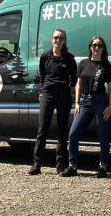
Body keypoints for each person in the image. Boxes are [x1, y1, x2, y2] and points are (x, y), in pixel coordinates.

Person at [61, 35, 111, 179]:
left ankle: (103, 167)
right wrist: (77, 102)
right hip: (84, 102)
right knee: (73, 134)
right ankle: (72, 166)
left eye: (99, 46)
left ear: (103, 49)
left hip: (100, 102)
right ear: (90, 47)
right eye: (94, 45)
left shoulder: (106, 66)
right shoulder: (84, 63)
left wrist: (110, 106)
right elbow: (78, 83)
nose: (96, 48)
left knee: (103, 136)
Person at [28, 29, 77, 175]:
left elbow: (74, 78)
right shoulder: (45, 57)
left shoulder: (69, 58)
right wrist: (44, 92)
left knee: (62, 131)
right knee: (42, 129)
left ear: (64, 41)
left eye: (61, 38)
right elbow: (42, 77)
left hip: (63, 95)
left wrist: (69, 90)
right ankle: (37, 164)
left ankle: (60, 165)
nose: (58, 40)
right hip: (48, 94)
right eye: (56, 38)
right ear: (52, 39)